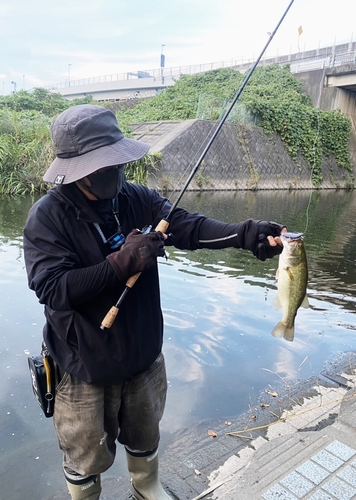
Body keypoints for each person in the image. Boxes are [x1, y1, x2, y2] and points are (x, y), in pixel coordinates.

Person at [23, 104, 285, 500]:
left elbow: (187, 227)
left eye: (116, 162)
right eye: (103, 165)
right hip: (83, 365)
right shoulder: (47, 218)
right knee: (85, 458)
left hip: (143, 356)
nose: (115, 171)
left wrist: (246, 235)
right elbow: (53, 289)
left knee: (145, 438)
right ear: (77, 171)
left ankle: (146, 487)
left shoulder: (135, 198)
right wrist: (121, 263)